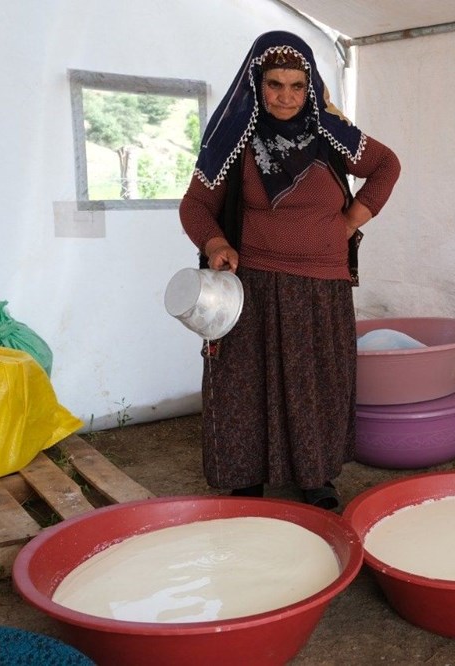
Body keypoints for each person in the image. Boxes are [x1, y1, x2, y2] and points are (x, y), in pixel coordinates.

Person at [179, 31, 401, 508]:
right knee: (247, 383)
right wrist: (216, 241)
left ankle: (315, 478)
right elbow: (195, 206)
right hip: (254, 284)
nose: (284, 96)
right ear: (256, 85)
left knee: (316, 382)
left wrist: (349, 222)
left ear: (311, 87)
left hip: (323, 287)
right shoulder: (234, 141)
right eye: (274, 84)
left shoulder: (331, 136)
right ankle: (247, 478)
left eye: (296, 86)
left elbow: (386, 166)